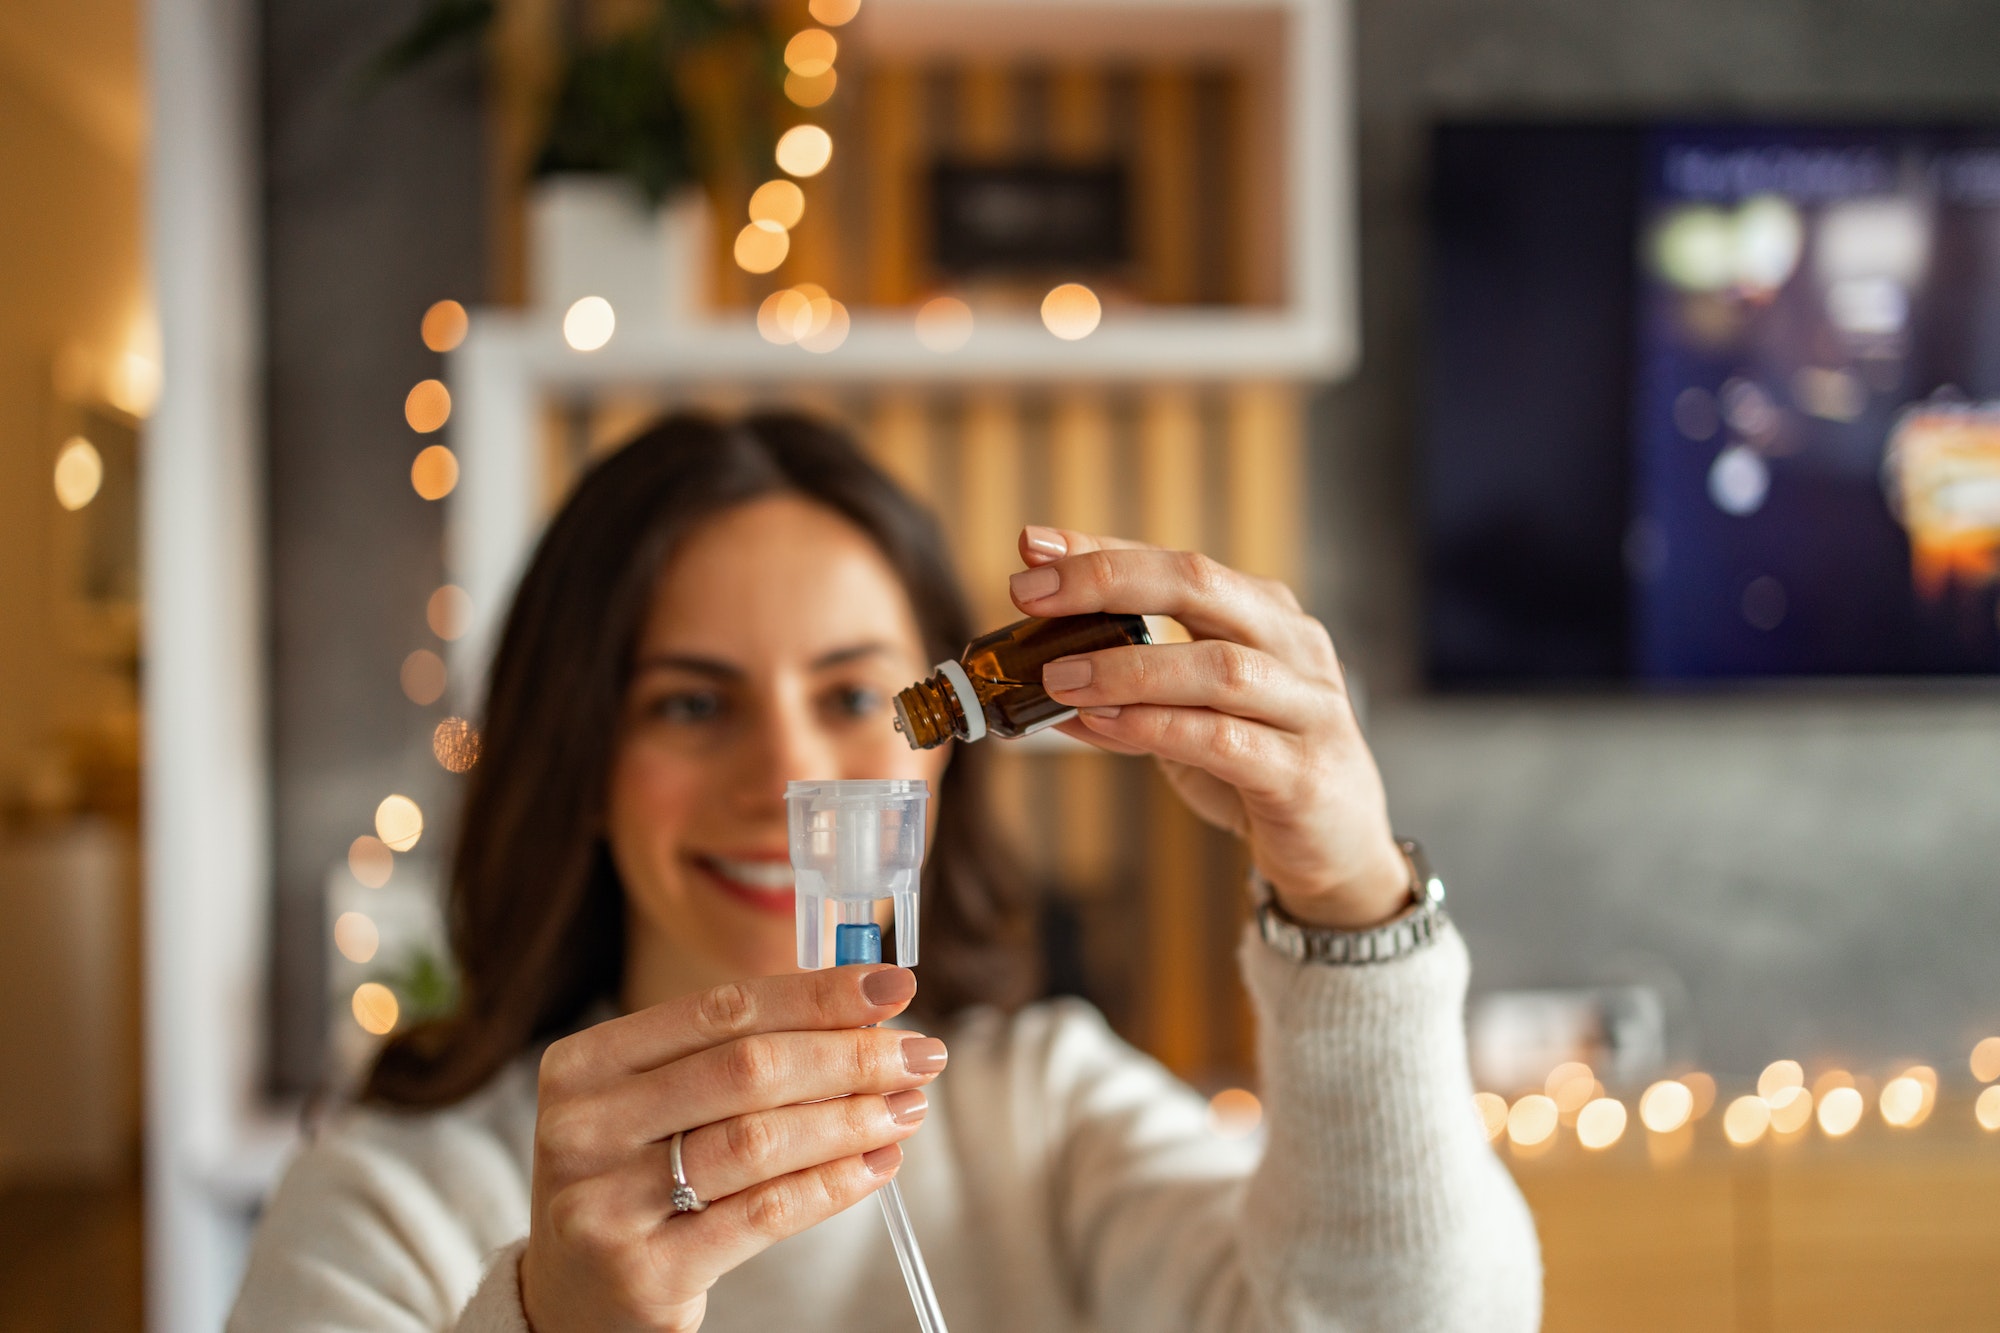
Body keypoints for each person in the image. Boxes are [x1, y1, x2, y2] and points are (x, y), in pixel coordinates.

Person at [229, 412, 1541, 1332]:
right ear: (579, 756)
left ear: (943, 751)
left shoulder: (1042, 1111)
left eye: (855, 692)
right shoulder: (390, 1204)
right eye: (691, 704)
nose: (792, 774)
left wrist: (1351, 896)